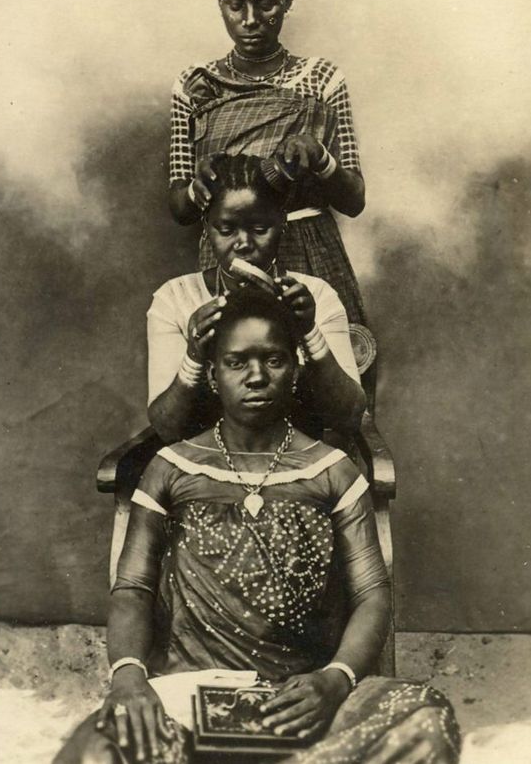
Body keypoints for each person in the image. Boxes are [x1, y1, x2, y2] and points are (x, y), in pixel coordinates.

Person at [55, 288, 459, 764]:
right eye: (236, 362)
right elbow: (133, 589)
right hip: (191, 694)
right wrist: (128, 677)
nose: (255, 376)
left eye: (273, 360)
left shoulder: (332, 471)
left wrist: (334, 680)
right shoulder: (171, 468)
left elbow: (372, 594)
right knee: (97, 749)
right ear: (212, 374)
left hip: (304, 699)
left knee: (426, 720)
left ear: (297, 368)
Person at [167, 0, 367, 325]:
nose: (252, 20)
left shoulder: (321, 78)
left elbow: (354, 199)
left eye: (268, 5)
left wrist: (320, 158)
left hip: (309, 251)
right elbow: (179, 208)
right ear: (220, 2)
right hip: (229, 256)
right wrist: (198, 186)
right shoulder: (195, 85)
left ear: (287, 0)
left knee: (322, 370)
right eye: (237, 5)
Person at [148, 153, 366, 444]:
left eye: (260, 230)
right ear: (207, 228)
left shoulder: (316, 295)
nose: (243, 245)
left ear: (283, 224)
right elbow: (167, 428)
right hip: (205, 471)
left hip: (296, 465)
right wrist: (194, 355)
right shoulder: (175, 298)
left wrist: (309, 331)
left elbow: (349, 418)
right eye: (226, 230)